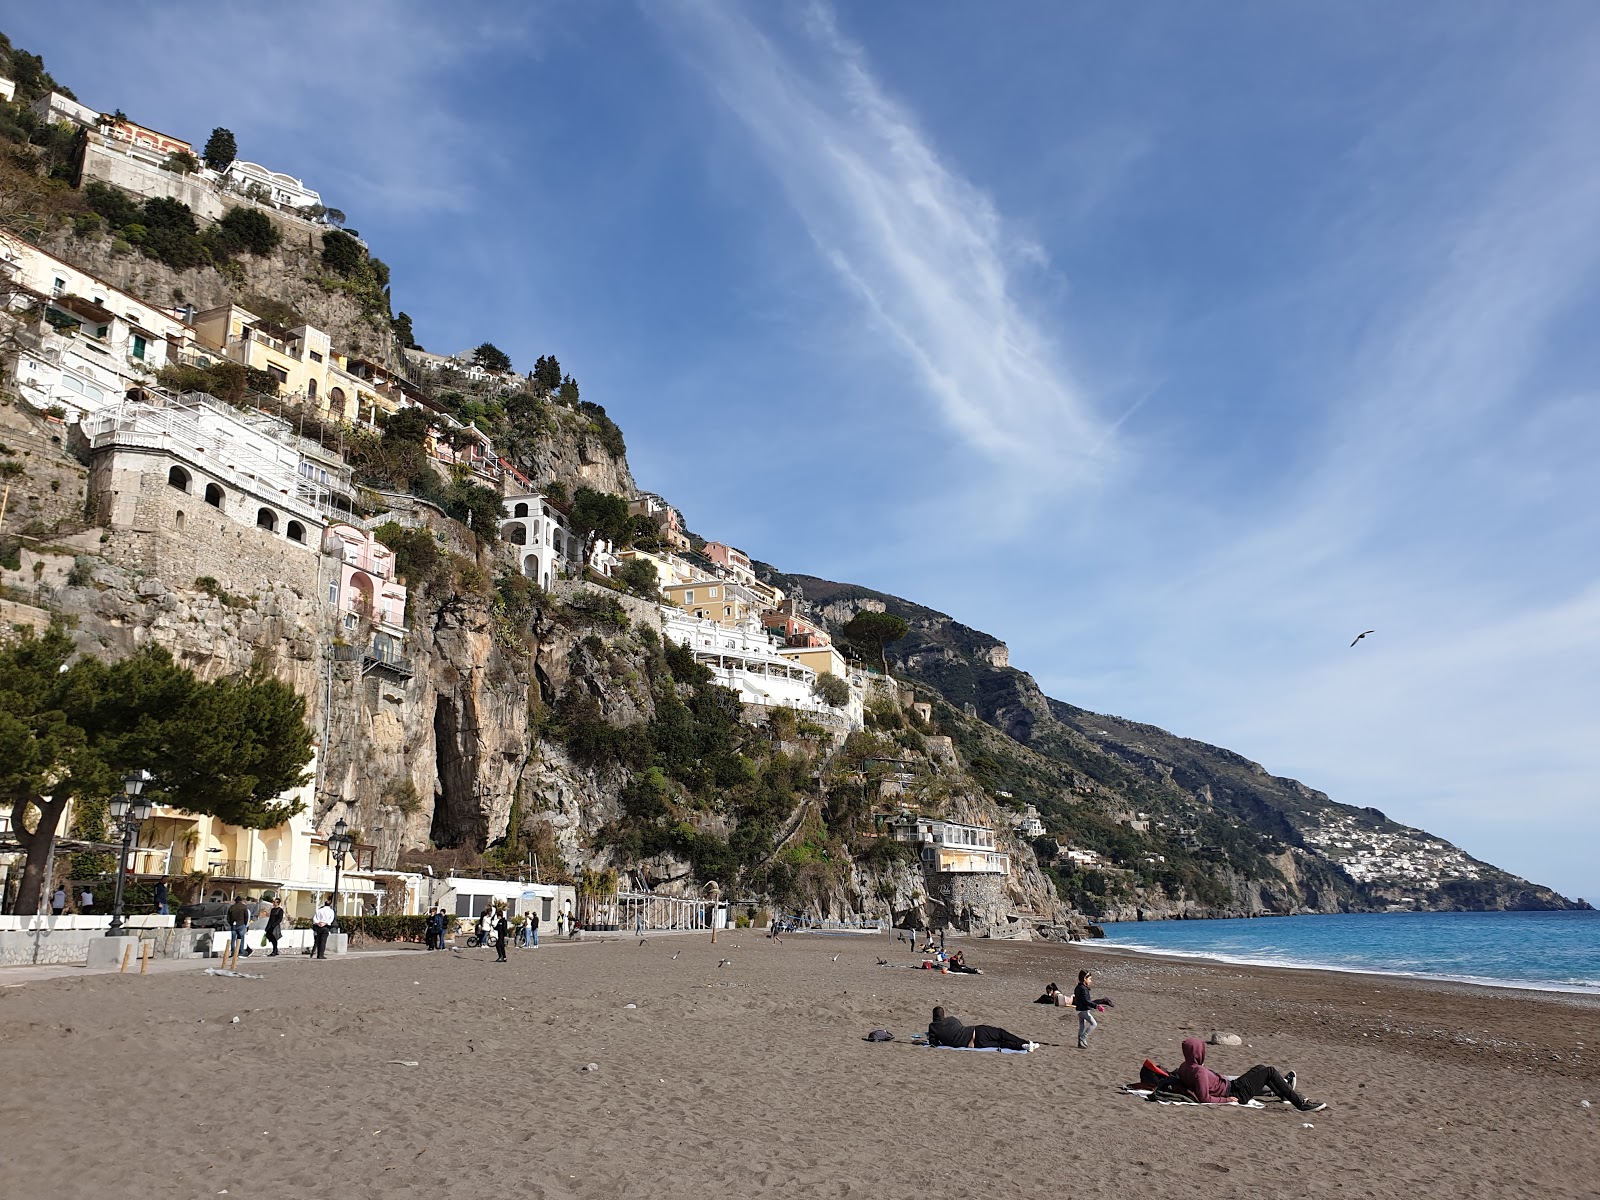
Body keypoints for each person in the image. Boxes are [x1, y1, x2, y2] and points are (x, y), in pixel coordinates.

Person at [1175, 1037, 1327, 1112]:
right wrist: (1226, 1100)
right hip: (1236, 1093)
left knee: (1260, 1068)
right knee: (1270, 1071)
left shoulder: (1185, 1066)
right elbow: (1204, 1098)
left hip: (1232, 1085)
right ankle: (1300, 1104)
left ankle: (1284, 1093)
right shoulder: (1199, 1072)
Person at [927, 1006, 1036, 1052]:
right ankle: (1025, 1042)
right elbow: (960, 1026)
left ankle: (1023, 1047)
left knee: (1000, 1044)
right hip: (976, 1032)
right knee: (1001, 1034)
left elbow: (934, 1043)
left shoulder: (933, 1027)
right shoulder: (951, 1019)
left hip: (973, 1045)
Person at [1072, 969, 1101, 1049]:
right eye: (1089, 979)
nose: (1090, 981)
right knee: (1094, 1024)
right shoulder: (1083, 989)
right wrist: (1096, 1006)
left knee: (1082, 1026)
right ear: (1085, 978)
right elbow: (1086, 1001)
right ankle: (1083, 1037)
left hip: (1079, 1009)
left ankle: (1080, 1043)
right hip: (1083, 1010)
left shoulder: (1078, 987)